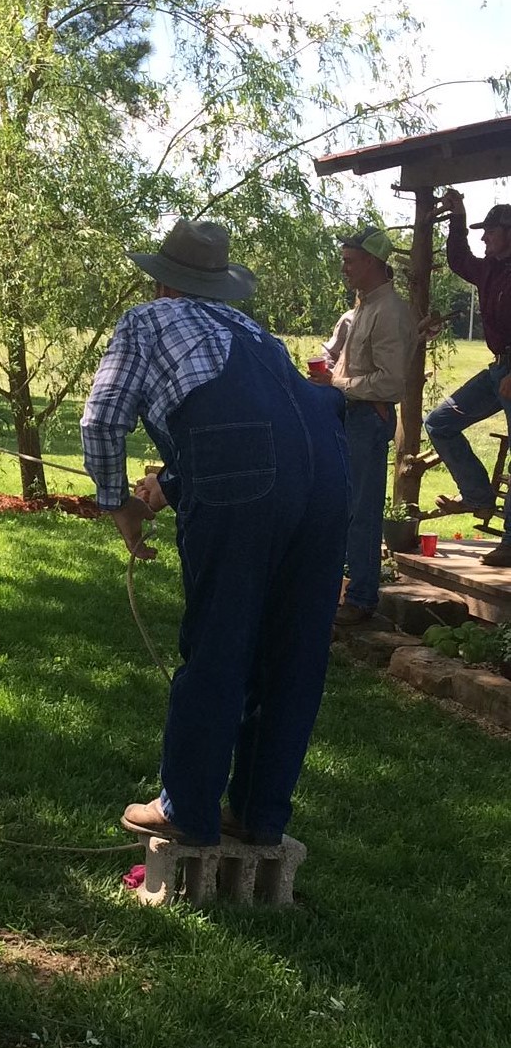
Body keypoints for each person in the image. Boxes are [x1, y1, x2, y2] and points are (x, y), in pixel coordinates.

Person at [81, 217, 350, 848]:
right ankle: (260, 817)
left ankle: (189, 809)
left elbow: (101, 422)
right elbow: (266, 435)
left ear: (162, 286)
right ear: (219, 287)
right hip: (329, 479)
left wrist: (118, 503)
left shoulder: (146, 323)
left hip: (246, 480)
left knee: (221, 639)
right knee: (293, 652)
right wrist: (172, 485)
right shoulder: (254, 333)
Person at [308, 226, 414, 628]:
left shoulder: (390, 311)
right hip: (349, 416)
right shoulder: (362, 308)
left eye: (350, 260)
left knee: (361, 511)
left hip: (370, 419)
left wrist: (335, 382)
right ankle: (344, 590)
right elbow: (347, 360)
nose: (343, 267)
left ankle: (362, 597)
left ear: (372, 261)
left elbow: (390, 383)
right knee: (339, 506)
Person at [424, 195, 511, 566]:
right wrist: (457, 218)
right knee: (440, 422)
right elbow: (459, 259)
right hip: (499, 368)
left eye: (489, 232)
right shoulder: (490, 268)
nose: (484, 239)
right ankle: (477, 495)